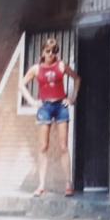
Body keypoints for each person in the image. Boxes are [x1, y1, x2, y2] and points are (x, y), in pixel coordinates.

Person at [20, 38, 81, 197]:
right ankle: (41, 185)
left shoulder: (61, 65)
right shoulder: (36, 69)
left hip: (61, 106)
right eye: (47, 51)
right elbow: (21, 85)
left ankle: (68, 184)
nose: (50, 54)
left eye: (54, 51)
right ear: (42, 51)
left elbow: (77, 78)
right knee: (43, 147)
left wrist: (72, 98)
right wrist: (32, 101)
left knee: (63, 146)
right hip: (45, 107)